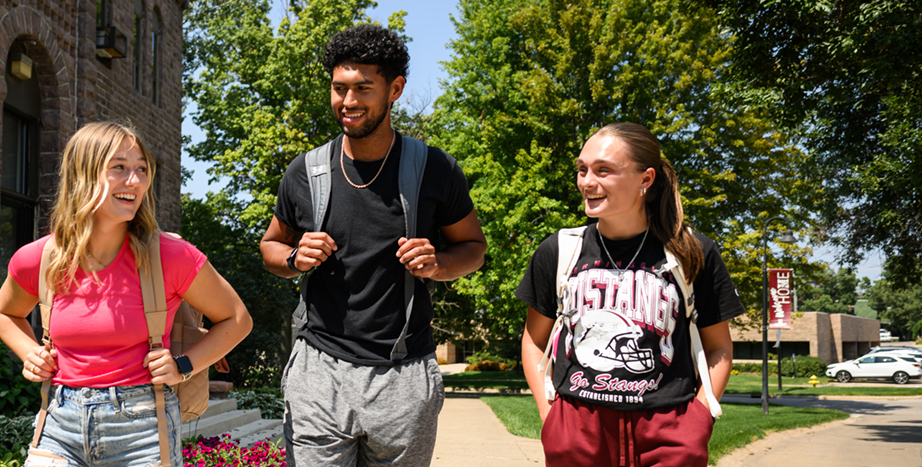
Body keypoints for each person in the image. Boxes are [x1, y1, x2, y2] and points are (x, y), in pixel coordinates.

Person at [260, 25, 487, 467]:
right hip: (319, 370)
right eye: (339, 88)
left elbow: (473, 247)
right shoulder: (305, 172)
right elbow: (271, 246)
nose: (348, 102)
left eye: (363, 88)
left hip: (403, 374)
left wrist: (437, 264)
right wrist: (293, 258)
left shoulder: (436, 170)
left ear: (395, 89)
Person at [0, 121, 252, 467]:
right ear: (84, 174)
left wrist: (183, 366)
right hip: (59, 424)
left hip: (143, 429)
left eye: (142, 170)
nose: (135, 181)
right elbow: (5, 313)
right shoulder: (40, 258)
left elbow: (238, 319)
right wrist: (31, 353)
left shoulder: (170, 256)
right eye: (120, 168)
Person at [516, 123, 741, 466]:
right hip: (579, 431)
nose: (586, 181)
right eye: (582, 169)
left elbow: (719, 346)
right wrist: (552, 419)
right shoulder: (560, 250)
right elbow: (534, 341)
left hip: (669, 432)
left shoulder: (691, 252)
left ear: (645, 180)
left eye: (603, 170)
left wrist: (699, 418)